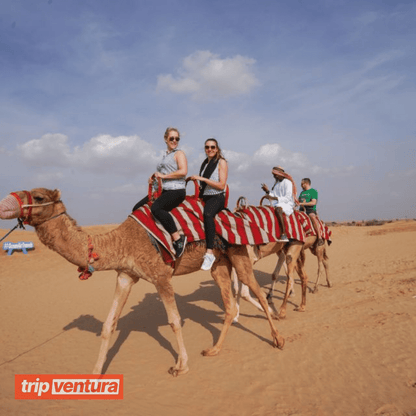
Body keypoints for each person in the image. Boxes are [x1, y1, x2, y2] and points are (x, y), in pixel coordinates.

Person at [132, 127, 188, 257]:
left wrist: (163, 176)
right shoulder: (165, 155)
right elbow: (163, 173)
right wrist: (154, 178)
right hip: (163, 190)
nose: (174, 141)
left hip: (176, 190)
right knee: (136, 208)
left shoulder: (179, 153)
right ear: (165, 139)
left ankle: (178, 238)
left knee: (156, 208)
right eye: (171, 138)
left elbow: (183, 171)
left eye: (177, 139)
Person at [190, 138, 228, 271]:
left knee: (207, 214)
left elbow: (221, 185)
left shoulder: (221, 162)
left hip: (216, 197)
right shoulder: (205, 163)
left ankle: (210, 252)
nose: (209, 149)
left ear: (217, 149)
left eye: (212, 147)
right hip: (205, 196)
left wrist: (202, 179)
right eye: (207, 147)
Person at [261, 166, 298, 241]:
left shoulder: (288, 182)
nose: (274, 176)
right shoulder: (277, 184)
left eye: (275, 174)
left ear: (280, 174)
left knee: (278, 209)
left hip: (287, 203)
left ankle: (284, 234)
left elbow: (287, 197)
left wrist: (273, 198)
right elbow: (273, 195)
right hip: (277, 202)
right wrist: (267, 191)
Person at [298, 178, 324, 246]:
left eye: (302, 184)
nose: (301, 185)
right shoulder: (302, 193)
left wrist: (302, 204)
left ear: (306, 183)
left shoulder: (313, 191)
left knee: (312, 217)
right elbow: (298, 202)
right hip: (301, 210)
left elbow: (313, 202)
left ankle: (319, 238)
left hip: (310, 210)